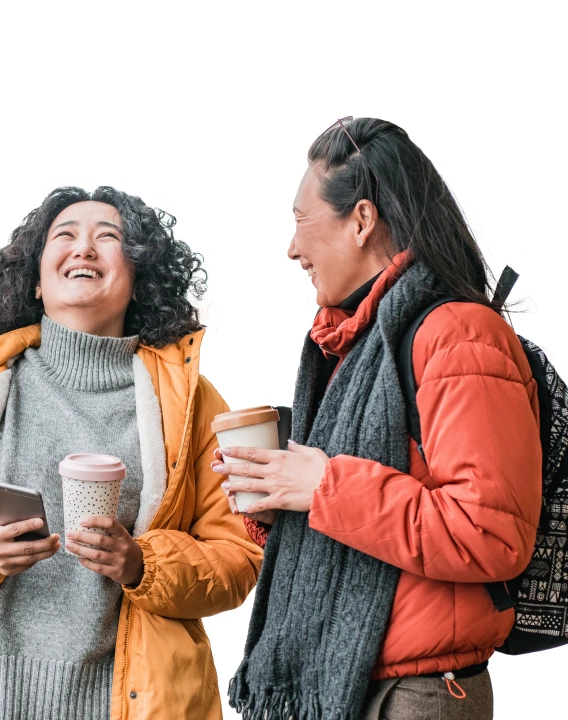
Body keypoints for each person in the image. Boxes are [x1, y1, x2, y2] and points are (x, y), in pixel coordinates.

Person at [0, 185, 262, 720]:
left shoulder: (192, 405)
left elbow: (236, 558)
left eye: (108, 238)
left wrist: (141, 564)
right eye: (66, 236)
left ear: (139, 281)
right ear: (35, 281)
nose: (84, 248)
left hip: (132, 704)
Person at [214, 117, 541, 720]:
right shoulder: (351, 346)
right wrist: (277, 495)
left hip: (413, 697)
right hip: (345, 686)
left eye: (302, 222)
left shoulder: (459, 334)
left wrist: (323, 487)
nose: (292, 248)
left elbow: (491, 536)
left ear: (361, 220)